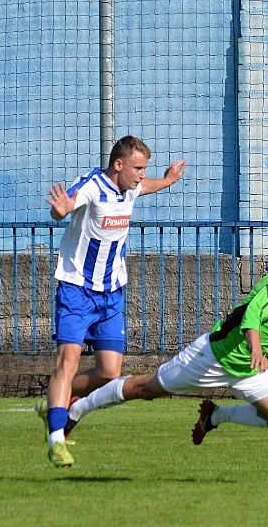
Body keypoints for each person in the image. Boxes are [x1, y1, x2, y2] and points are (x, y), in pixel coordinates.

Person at [63, 240, 268, 464]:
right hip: (214, 357)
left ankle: (214, 416)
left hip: (246, 368)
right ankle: (76, 409)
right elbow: (253, 316)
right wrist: (257, 350)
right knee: (145, 389)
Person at [39, 135, 186, 467]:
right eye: (137, 168)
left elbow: (146, 186)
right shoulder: (92, 185)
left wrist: (168, 179)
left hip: (112, 292)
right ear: (118, 165)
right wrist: (58, 210)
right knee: (68, 362)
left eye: (143, 169)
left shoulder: (130, 187)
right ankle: (56, 440)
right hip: (76, 288)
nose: (140, 175)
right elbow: (64, 207)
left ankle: (55, 403)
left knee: (109, 372)